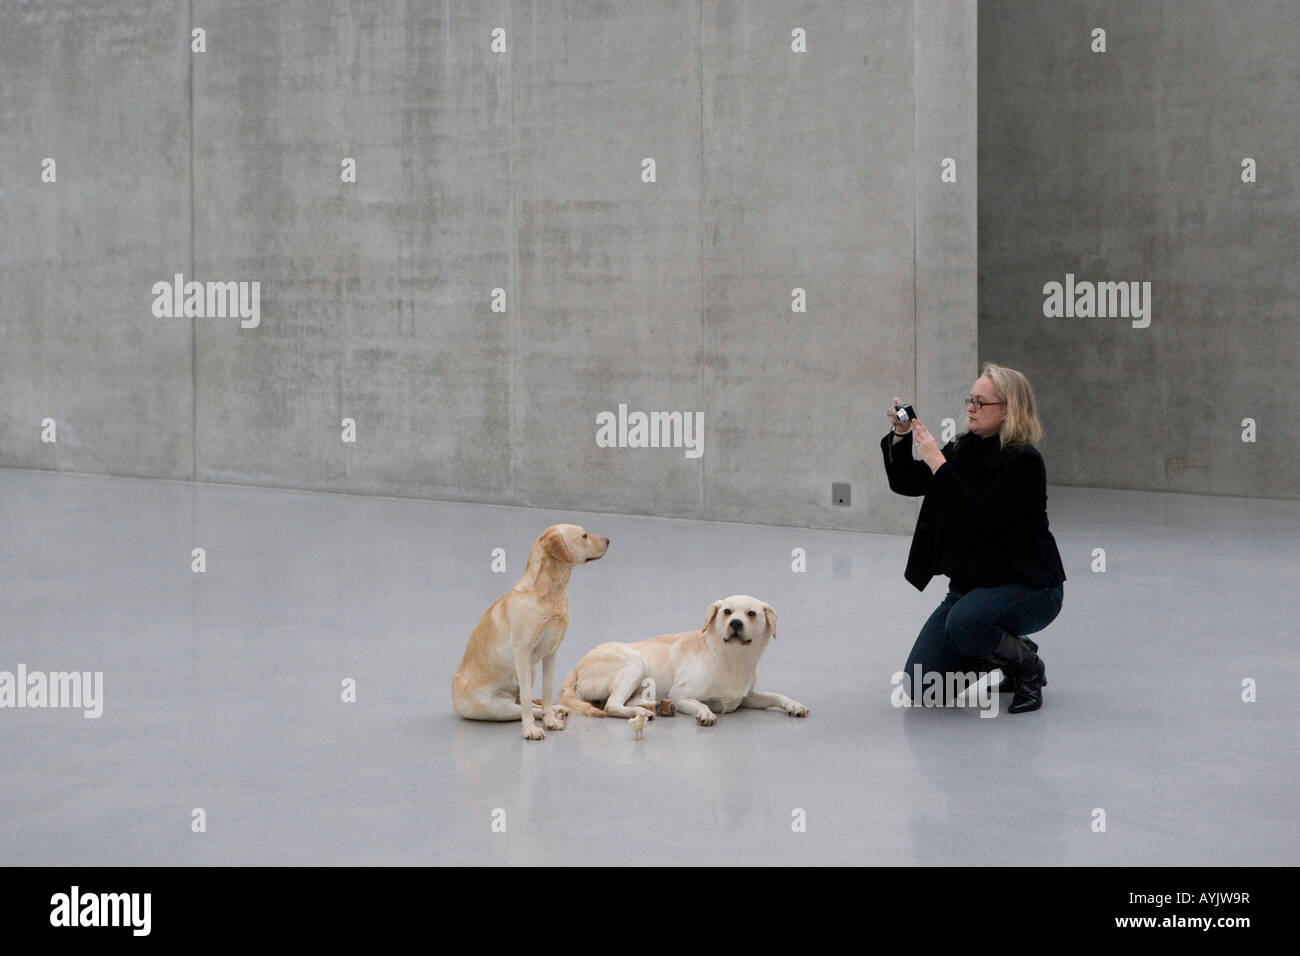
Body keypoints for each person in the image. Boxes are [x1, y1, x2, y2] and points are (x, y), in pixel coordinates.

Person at [881, 363, 1065, 713]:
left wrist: (938, 462)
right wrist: (902, 436)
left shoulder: (1024, 463)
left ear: (1008, 410)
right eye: (970, 400)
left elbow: (979, 521)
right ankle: (1009, 649)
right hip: (971, 589)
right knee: (924, 686)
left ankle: (1026, 666)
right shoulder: (966, 448)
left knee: (966, 622)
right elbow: (908, 483)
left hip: (1029, 587)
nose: (970, 408)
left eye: (981, 403)